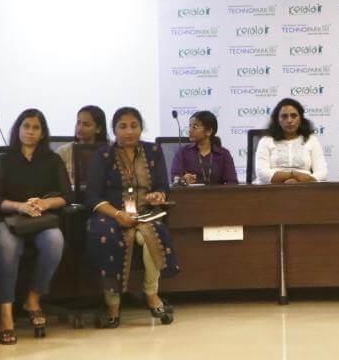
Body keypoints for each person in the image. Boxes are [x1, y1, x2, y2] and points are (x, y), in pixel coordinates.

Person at [85, 107, 178, 325]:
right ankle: (113, 304)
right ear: (114, 130)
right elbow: (92, 195)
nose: (129, 131)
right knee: (108, 236)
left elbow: (163, 186)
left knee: (152, 233)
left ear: (141, 128)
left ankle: (151, 294)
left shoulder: (153, 151)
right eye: (123, 126)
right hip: (110, 214)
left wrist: (158, 195)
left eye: (134, 126)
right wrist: (117, 214)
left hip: (145, 213)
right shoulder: (104, 155)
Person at [0, 108, 70, 340]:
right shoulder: (4, 160)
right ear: (18, 129)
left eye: (36, 128)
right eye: (26, 126)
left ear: (43, 133)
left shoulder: (53, 160)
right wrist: (19, 206)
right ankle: (6, 314)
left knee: (55, 240)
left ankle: (33, 299)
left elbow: (67, 196)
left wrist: (45, 203)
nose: (30, 132)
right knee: (9, 246)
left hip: (40, 219)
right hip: (7, 219)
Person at [254, 98, 327, 183]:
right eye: (284, 116)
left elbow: (322, 173)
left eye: (294, 116)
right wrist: (293, 175)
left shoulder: (312, 140)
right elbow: (262, 173)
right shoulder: (266, 141)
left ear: (300, 119)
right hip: (272, 190)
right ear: (278, 120)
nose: (289, 120)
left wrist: (299, 181)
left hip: (305, 188)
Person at [171, 110, 239, 186]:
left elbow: (232, 181)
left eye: (195, 127)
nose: (190, 130)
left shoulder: (223, 154)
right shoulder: (183, 152)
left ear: (209, 131)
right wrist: (182, 180)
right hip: (191, 196)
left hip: (217, 196)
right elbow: (174, 178)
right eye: (190, 126)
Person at [61, 105, 108, 188]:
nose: (80, 128)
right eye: (78, 122)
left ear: (98, 128)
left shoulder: (109, 150)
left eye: (86, 125)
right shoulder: (64, 151)